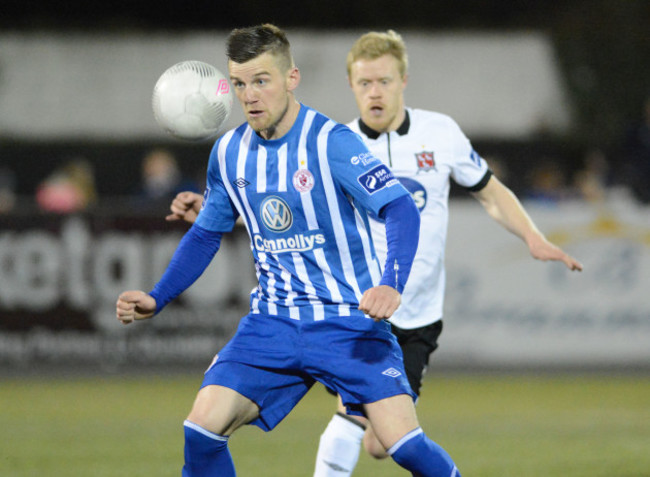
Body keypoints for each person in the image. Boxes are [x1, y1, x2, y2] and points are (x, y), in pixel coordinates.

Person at [166, 28, 584, 477]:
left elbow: (489, 192)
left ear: (403, 81)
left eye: (384, 81)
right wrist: (219, 214)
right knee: (361, 425)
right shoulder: (332, 140)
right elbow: (296, 219)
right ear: (352, 86)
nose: (375, 91)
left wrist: (532, 237)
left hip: (415, 311)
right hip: (353, 310)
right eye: (365, 83)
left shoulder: (438, 133)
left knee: (381, 444)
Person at [117, 24, 462, 477]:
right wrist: (157, 297)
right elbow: (205, 234)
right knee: (201, 429)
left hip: (347, 324)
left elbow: (401, 208)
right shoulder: (228, 153)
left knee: (404, 447)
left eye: (262, 80)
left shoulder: (331, 141)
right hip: (273, 324)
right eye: (239, 84)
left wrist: (390, 284)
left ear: (291, 78)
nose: (250, 95)